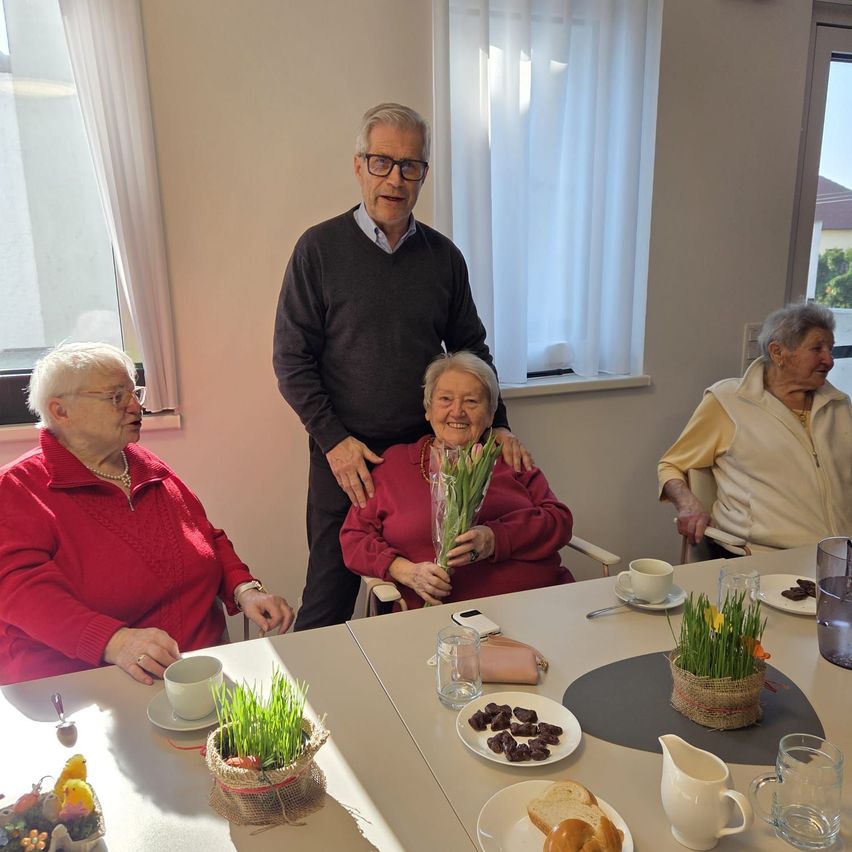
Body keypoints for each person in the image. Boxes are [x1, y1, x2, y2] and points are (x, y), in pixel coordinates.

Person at [273, 103, 530, 629]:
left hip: (425, 461)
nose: (395, 178)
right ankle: (312, 711)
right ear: (358, 165)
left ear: (424, 175)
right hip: (346, 461)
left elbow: (472, 350)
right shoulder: (318, 250)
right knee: (327, 597)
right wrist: (334, 442)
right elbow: (291, 360)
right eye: (382, 162)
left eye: (409, 166)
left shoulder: (444, 258)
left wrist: (499, 425)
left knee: (429, 590)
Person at [0, 343, 294, 685]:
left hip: (199, 671)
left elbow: (206, 536)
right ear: (61, 410)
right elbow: (19, 592)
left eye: (134, 392)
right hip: (88, 687)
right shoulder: (17, 488)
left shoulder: (144, 464)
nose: (135, 406)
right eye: (115, 397)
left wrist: (246, 590)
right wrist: (115, 641)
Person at [340, 352, 573, 608]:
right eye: (445, 399)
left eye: (472, 401)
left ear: (490, 414)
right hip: (445, 620)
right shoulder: (394, 466)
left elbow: (559, 520)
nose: (457, 411)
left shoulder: (508, 458)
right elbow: (354, 537)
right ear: (428, 410)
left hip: (539, 601)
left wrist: (495, 538)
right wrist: (403, 570)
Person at [659, 303, 852, 552]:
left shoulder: (839, 405)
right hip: (759, 556)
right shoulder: (728, 401)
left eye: (831, 349)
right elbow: (671, 465)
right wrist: (689, 505)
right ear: (778, 352)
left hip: (838, 556)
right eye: (817, 349)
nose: (829, 360)